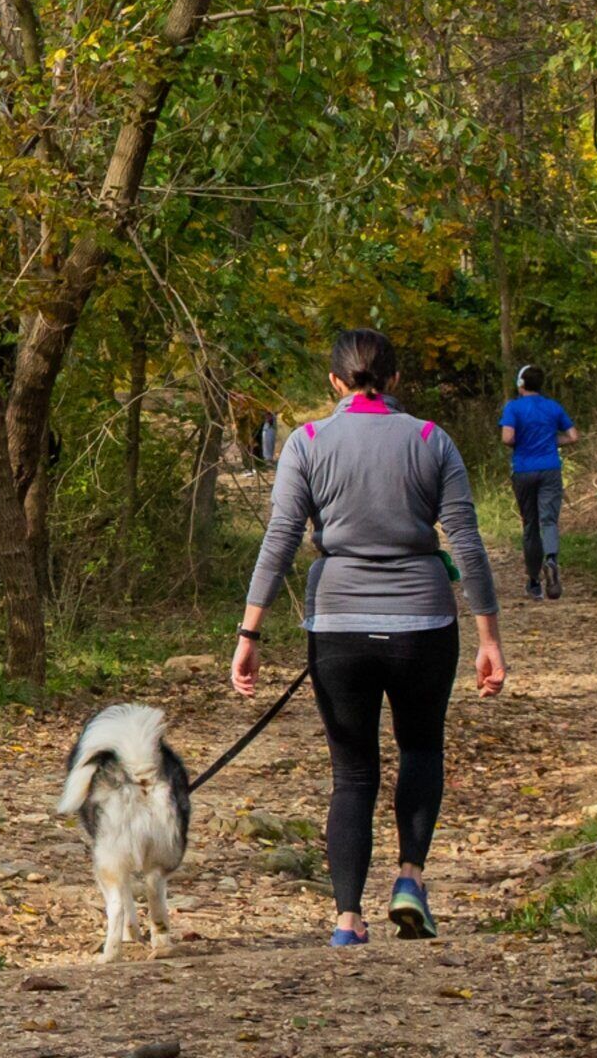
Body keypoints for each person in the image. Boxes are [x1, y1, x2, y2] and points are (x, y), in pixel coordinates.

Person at [231, 328, 506, 946]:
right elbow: (467, 541)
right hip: (424, 625)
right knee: (420, 749)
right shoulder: (432, 440)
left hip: (338, 628)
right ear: (397, 379)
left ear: (334, 381)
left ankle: (347, 919)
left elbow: (278, 542)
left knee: (352, 774)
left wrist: (250, 631)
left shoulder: (305, 443)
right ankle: (409, 880)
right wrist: (490, 636)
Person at [500, 365, 578, 599]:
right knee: (549, 520)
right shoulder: (553, 407)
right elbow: (574, 436)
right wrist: (553, 443)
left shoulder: (513, 407)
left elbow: (507, 437)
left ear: (520, 384)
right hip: (550, 468)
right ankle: (552, 560)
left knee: (530, 525)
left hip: (524, 470)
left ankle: (534, 581)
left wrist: (521, 444)